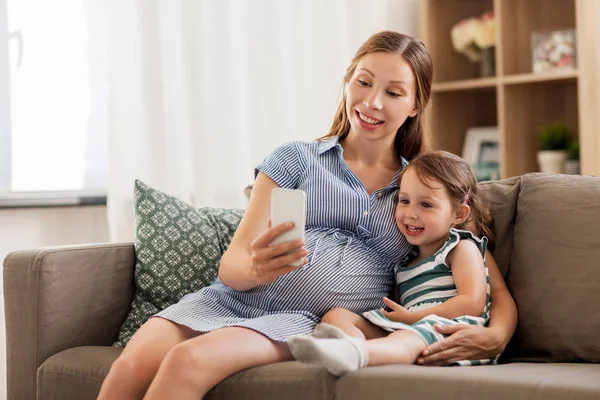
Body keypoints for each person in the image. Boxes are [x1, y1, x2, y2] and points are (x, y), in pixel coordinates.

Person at [97, 31, 516, 400]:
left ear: (415, 104)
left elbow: (480, 264)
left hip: (310, 322)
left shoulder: (423, 188)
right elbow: (232, 266)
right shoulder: (295, 159)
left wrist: (497, 334)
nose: (371, 102)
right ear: (347, 83)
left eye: (393, 91)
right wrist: (256, 268)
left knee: (187, 361)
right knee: (128, 368)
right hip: (232, 300)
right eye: (363, 82)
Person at [288, 151, 500, 375]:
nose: (411, 213)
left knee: (407, 339)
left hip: (450, 329)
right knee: (337, 315)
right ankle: (349, 351)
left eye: (426, 205)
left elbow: (472, 302)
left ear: (458, 214)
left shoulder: (461, 247)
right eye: (404, 201)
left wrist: (413, 318)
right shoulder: (406, 260)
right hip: (411, 326)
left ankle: (359, 353)